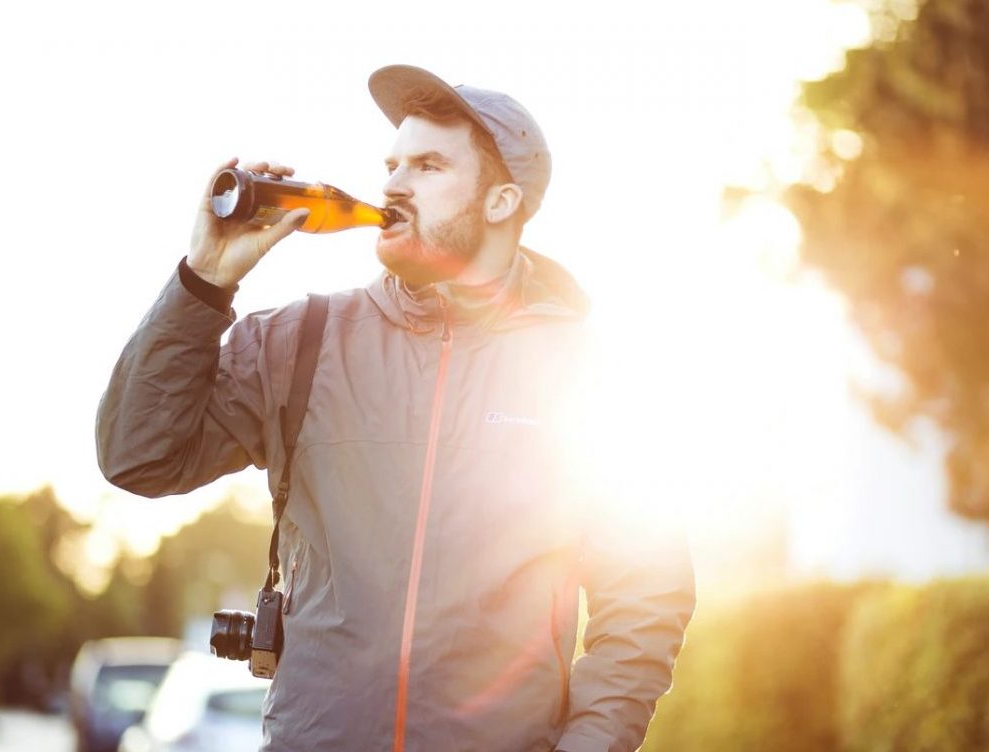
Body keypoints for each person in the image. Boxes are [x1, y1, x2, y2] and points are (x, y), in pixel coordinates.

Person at [96, 64, 695, 752]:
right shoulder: (302, 342)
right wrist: (203, 281)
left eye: (429, 165)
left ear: (501, 202)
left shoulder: (584, 372)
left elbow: (646, 597)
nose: (392, 185)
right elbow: (137, 457)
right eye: (392, 163)